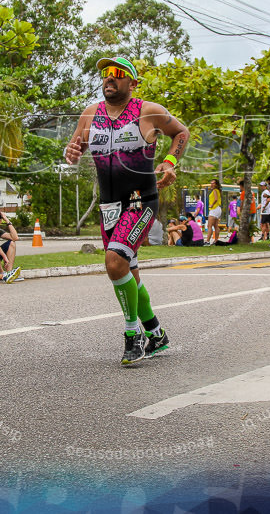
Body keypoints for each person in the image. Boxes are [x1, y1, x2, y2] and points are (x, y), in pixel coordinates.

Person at [64, 56, 189, 365]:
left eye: (117, 74)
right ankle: (156, 334)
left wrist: (170, 163)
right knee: (127, 271)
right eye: (106, 73)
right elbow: (74, 148)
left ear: (132, 83)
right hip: (109, 206)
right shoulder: (90, 114)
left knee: (114, 262)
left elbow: (182, 133)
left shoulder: (148, 111)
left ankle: (133, 337)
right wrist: (72, 151)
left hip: (141, 199)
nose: (110, 78)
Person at [206, 178, 222, 245]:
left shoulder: (215, 190)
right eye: (211, 183)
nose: (212, 184)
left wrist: (211, 205)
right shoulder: (218, 190)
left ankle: (207, 241)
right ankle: (216, 241)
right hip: (218, 209)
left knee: (209, 226)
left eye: (213, 183)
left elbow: (215, 199)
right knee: (216, 225)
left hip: (214, 209)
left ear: (216, 184)